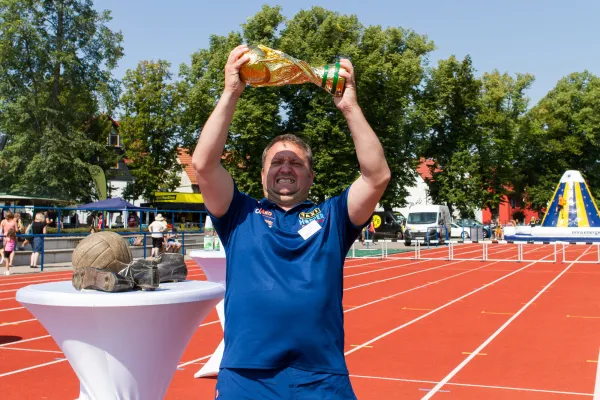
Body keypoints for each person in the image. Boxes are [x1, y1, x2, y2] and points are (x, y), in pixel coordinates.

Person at [192, 45, 390, 399]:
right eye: (277, 162)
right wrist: (230, 94)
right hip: (246, 373)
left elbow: (376, 177)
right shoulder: (239, 214)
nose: (285, 168)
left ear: (311, 176)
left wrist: (350, 107)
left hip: (320, 375)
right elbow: (204, 166)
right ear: (263, 173)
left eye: (295, 163)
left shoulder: (334, 217)